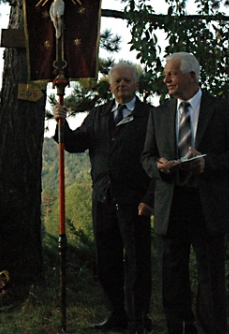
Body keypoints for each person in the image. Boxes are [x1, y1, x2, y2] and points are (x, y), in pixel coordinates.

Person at [141, 52, 229, 334]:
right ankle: (178, 327)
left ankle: (210, 329)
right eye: (166, 74)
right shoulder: (159, 113)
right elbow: (146, 157)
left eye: (172, 74)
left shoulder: (223, 110)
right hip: (171, 202)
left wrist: (209, 162)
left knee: (211, 276)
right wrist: (159, 166)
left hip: (208, 204)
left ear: (192, 76)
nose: (166, 79)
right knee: (172, 274)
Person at [53, 62, 154, 334]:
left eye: (127, 81)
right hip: (103, 199)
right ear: (110, 87)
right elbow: (73, 143)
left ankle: (138, 318)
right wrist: (61, 122)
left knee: (137, 263)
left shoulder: (150, 116)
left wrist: (150, 197)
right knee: (106, 262)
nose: (121, 85)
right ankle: (117, 315)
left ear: (137, 85)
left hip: (136, 202)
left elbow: (157, 159)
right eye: (117, 81)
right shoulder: (98, 115)